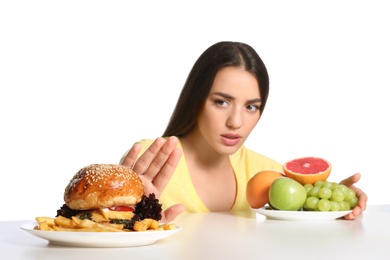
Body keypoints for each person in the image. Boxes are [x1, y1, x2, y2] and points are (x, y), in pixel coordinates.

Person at [120, 41, 367, 223]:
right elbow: (102, 231)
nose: (236, 122)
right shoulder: (152, 160)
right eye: (221, 102)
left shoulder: (267, 173)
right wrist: (126, 214)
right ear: (196, 99)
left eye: (251, 107)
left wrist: (335, 206)